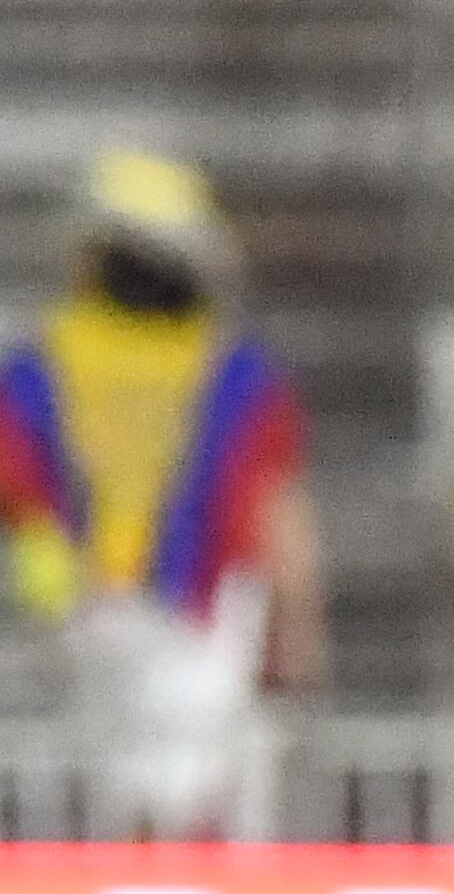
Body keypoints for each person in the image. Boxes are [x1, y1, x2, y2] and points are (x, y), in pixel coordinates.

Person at [0, 145, 323, 839]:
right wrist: (298, 630)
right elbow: (276, 514)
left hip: (86, 623)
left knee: (106, 818)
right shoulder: (237, 372)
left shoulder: (40, 362)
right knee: (195, 814)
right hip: (201, 629)